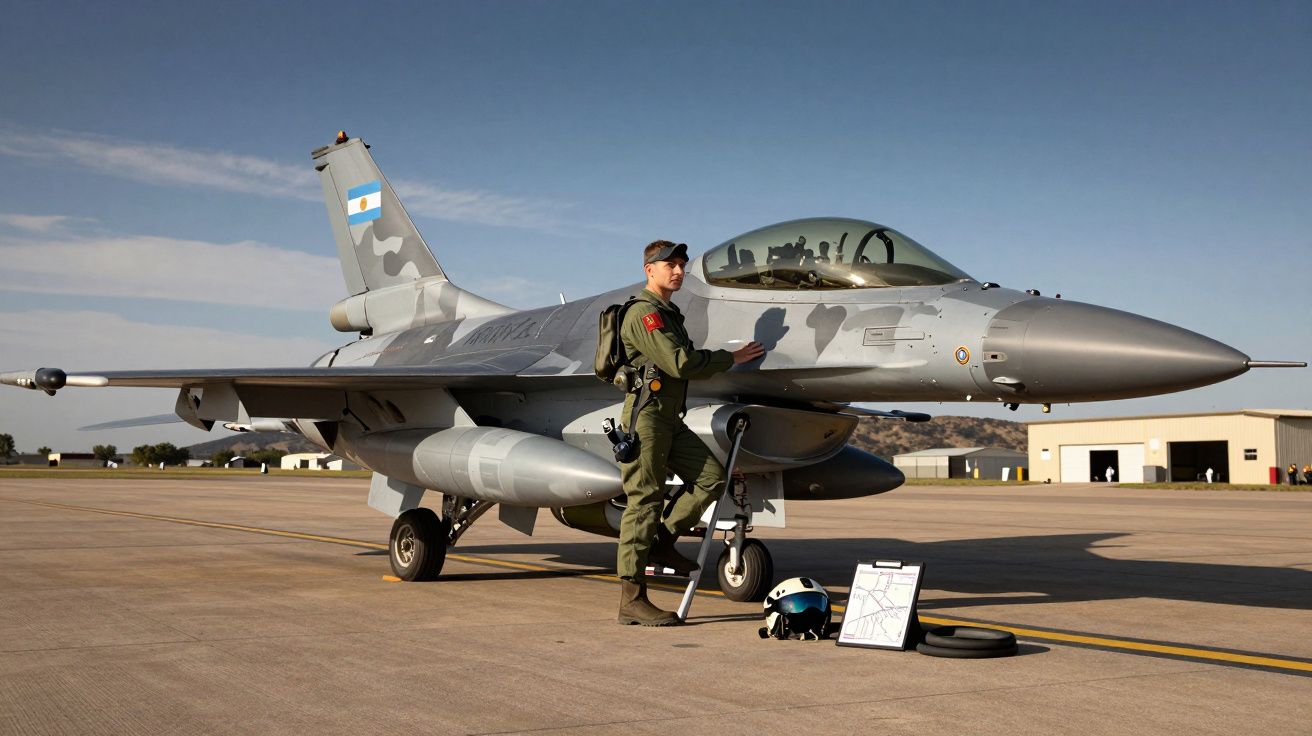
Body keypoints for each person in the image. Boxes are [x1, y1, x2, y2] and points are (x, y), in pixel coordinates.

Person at [615, 240, 765, 626]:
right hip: (646, 418)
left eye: (682, 264)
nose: (678, 271)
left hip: (669, 417)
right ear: (650, 270)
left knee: (712, 479)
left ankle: (663, 543)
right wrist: (729, 358)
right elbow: (679, 363)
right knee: (643, 502)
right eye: (670, 265)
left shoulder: (669, 314)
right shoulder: (644, 315)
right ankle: (631, 600)